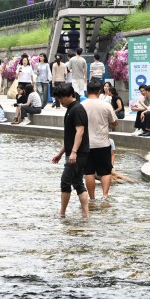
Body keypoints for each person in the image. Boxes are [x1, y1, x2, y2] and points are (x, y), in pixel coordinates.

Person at [51, 83, 90, 218]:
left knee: (65, 181)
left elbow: (80, 131)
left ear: (70, 95)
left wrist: (73, 152)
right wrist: (60, 153)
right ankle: (86, 215)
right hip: (76, 153)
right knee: (78, 182)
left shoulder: (77, 109)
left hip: (78, 154)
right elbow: (70, 136)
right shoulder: (70, 108)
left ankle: (62, 213)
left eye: (62, 98)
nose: (60, 101)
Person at [82, 81, 118, 203]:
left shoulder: (81, 105)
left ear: (87, 91)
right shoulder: (106, 105)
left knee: (89, 172)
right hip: (103, 143)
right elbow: (114, 122)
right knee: (105, 171)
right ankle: (105, 196)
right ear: (99, 92)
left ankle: (92, 198)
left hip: (86, 144)